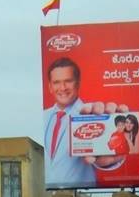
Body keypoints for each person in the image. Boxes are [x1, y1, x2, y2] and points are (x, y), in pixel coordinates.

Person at [41, 57, 130, 188]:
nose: (62, 87)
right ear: (49, 86)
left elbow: (103, 159)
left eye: (68, 81)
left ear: (77, 83)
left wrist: (106, 158)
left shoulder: (93, 114)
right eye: (56, 82)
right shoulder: (44, 116)